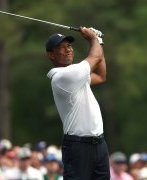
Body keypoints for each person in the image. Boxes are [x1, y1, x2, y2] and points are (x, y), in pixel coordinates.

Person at [45, 26, 109, 180]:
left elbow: (101, 76)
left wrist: (98, 41)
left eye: (69, 46)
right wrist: (94, 39)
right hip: (78, 146)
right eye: (61, 47)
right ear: (51, 55)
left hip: (99, 144)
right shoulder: (62, 77)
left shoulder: (76, 74)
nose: (68, 50)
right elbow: (95, 58)